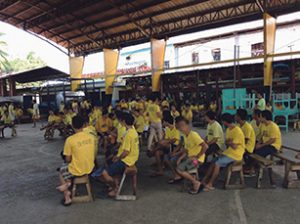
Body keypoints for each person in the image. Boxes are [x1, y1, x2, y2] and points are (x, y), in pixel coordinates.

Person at [93, 113, 139, 197]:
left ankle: (115, 188)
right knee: (110, 161)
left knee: (104, 173)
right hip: (132, 159)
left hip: (126, 161)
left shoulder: (129, 134)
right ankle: (114, 186)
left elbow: (126, 152)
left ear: (124, 122)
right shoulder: (133, 130)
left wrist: (118, 158)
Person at [56, 116, 96, 206]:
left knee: (61, 170)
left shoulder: (70, 140)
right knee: (72, 164)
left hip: (78, 169)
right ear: (84, 125)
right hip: (90, 167)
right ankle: (68, 183)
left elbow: (68, 159)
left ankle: (67, 196)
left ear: (72, 126)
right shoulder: (91, 137)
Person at [202, 113, 245, 191]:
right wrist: (230, 142)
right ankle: (205, 179)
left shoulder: (237, 131)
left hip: (236, 154)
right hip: (229, 152)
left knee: (218, 163)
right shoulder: (228, 129)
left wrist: (230, 142)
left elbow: (234, 146)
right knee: (214, 161)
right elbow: (227, 142)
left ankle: (211, 183)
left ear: (225, 122)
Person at [174, 116, 208, 194]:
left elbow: (205, 146)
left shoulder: (193, 135)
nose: (181, 128)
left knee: (179, 169)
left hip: (198, 160)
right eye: (180, 126)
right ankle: (192, 179)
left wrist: (197, 156)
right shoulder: (185, 136)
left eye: (183, 125)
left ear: (188, 125)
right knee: (176, 162)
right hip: (190, 157)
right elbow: (186, 150)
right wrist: (180, 158)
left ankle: (195, 182)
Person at [235, 109, 256, 175]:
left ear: (239, 116)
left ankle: (246, 167)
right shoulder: (238, 125)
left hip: (248, 147)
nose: (235, 116)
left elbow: (245, 141)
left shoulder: (247, 126)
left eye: (236, 115)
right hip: (241, 145)